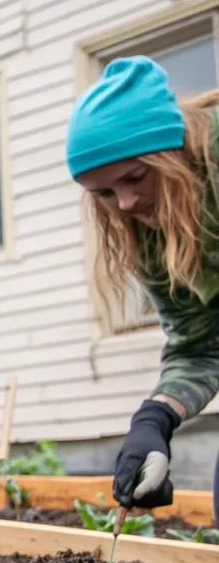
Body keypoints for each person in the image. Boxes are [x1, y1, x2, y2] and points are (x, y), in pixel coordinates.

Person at [67, 56, 219, 523]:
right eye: (105, 194)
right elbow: (200, 348)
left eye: (135, 178)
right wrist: (154, 421)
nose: (126, 204)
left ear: (168, 153)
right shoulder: (154, 235)